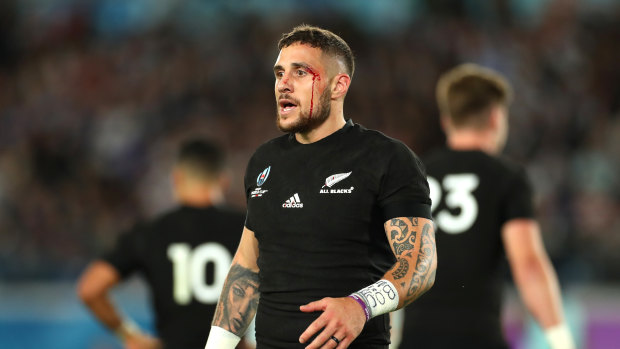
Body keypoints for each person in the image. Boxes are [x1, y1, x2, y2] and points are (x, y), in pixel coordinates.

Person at [204, 24, 437, 349]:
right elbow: (247, 268)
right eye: (279, 73)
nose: (283, 84)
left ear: (338, 85)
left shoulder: (386, 158)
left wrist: (361, 305)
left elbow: (420, 264)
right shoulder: (263, 161)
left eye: (300, 73)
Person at [398, 64, 575, 349]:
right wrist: (560, 339)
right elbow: (528, 265)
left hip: (417, 339)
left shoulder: (413, 175)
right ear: (495, 117)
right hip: (477, 337)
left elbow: (394, 261)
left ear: (446, 120)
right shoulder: (506, 178)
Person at [76, 139, 252, 349]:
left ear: (176, 178)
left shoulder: (151, 232)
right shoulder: (249, 229)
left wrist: (129, 335)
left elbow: (90, 288)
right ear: (223, 180)